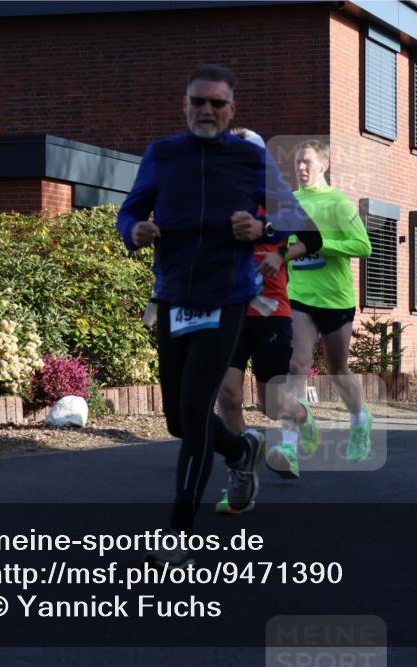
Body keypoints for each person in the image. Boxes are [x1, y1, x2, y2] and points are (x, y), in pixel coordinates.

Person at [116, 65, 318, 564]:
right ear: (184, 105)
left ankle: (179, 532)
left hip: (226, 297)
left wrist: (262, 228)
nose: (207, 110)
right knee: (177, 421)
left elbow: (303, 229)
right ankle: (238, 450)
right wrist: (133, 232)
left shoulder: (250, 159)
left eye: (217, 103)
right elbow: (130, 210)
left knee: (194, 404)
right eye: (198, 101)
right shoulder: (161, 156)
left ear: (232, 110)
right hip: (173, 296)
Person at [214, 128, 321, 511]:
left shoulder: (277, 199)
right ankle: (241, 473)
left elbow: (315, 237)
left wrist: (282, 255)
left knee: (271, 406)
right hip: (230, 311)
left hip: (272, 311)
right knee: (227, 398)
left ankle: (301, 414)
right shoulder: (219, 198)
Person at [266, 139, 373, 479]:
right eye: (297, 162)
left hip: (337, 299)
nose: (300, 168)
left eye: (307, 162)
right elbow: (278, 247)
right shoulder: (290, 205)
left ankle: (359, 419)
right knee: (297, 365)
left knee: (338, 369)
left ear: (323, 165)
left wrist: (321, 244)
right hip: (299, 296)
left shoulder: (337, 203)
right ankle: (288, 446)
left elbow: (364, 245)